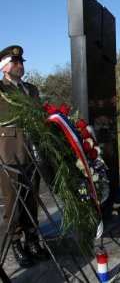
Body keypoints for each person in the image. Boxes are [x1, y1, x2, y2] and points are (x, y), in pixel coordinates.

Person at [0, 45, 49, 268]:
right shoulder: (1, 90)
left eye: (22, 62)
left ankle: (32, 239)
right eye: (15, 62)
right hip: (9, 152)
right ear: (4, 67)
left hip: (32, 150)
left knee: (31, 198)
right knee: (13, 201)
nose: (20, 65)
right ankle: (16, 242)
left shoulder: (32, 89)